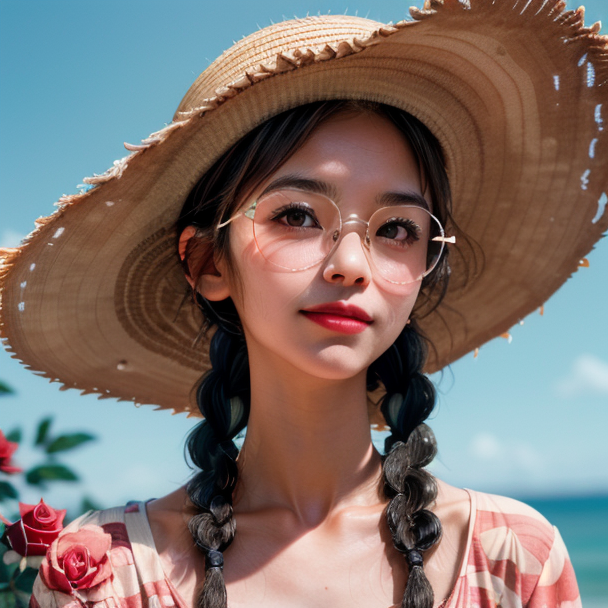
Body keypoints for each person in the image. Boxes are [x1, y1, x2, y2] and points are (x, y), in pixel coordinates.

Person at [1, 1, 606, 607]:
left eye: (397, 228)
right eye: (296, 215)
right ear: (209, 262)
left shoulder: (515, 560)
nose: (351, 263)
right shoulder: (106, 577)